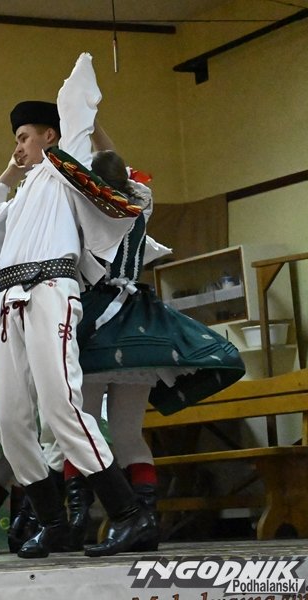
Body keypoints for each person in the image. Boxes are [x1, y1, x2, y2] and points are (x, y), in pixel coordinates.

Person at [0, 52, 156, 559]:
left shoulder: (67, 171)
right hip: (10, 301)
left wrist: (75, 113)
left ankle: (129, 515)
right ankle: (54, 524)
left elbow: (82, 111)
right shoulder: (24, 191)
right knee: (5, 417)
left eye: (24, 136)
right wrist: (12, 167)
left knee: (61, 407)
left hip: (51, 290)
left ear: (51, 136)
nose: (17, 146)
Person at [63, 144, 244, 548]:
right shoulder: (139, 204)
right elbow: (118, 164)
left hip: (95, 324)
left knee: (80, 429)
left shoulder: (85, 212)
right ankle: (145, 521)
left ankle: (78, 519)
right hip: (138, 326)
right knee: (129, 434)